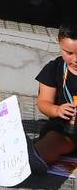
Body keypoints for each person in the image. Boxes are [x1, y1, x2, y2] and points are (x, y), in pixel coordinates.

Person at [33, 24, 77, 166]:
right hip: (63, 130)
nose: (75, 60)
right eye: (69, 53)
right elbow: (43, 102)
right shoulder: (54, 69)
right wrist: (57, 110)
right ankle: (33, 160)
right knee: (51, 142)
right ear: (59, 42)